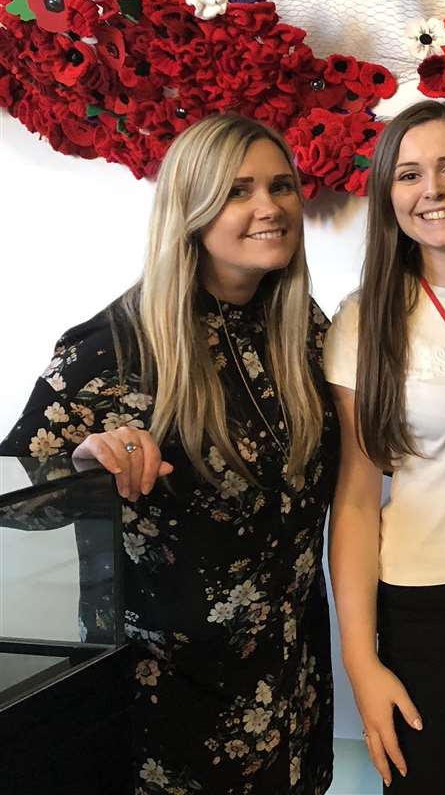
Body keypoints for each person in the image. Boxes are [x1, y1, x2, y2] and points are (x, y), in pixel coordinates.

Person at [2, 114, 338, 793]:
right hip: (169, 702)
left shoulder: (302, 327)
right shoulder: (113, 345)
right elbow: (19, 504)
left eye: (281, 186)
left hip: (290, 676)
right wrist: (86, 465)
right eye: (238, 190)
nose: (269, 207)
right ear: (191, 208)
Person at [325, 101, 445, 791]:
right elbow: (357, 498)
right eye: (409, 174)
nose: (432, 190)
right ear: (387, 194)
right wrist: (362, 663)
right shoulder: (366, 321)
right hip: (428, 601)